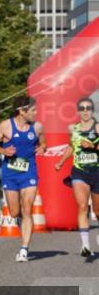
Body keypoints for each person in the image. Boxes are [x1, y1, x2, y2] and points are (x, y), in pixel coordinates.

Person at [0, 96, 46, 262]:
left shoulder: (37, 127)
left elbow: (43, 142)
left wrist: (42, 148)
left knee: (27, 208)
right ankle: (22, 220)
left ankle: (24, 249)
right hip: (11, 173)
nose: (36, 112)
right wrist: (3, 151)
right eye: (33, 110)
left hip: (29, 172)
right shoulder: (5, 126)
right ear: (22, 111)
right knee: (15, 212)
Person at [54, 96, 98, 257]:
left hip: (97, 172)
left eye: (88, 108)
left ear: (92, 110)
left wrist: (93, 146)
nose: (85, 111)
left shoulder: (97, 127)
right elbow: (71, 146)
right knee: (82, 206)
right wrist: (61, 161)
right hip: (79, 172)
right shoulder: (73, 129)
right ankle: (85, 246)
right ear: (78, 111)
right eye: (82, 109)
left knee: (98, 211)